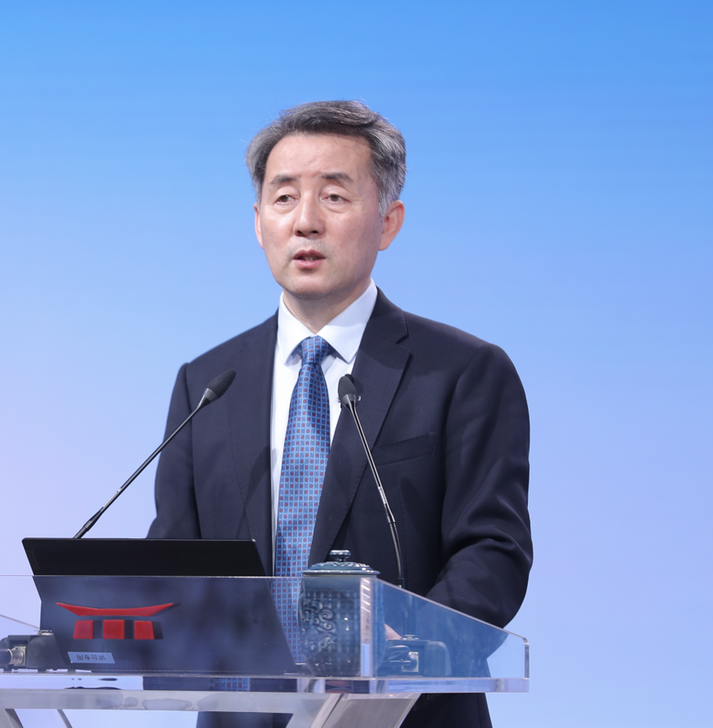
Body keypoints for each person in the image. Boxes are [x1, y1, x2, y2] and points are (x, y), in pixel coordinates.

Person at [147, 100, 532, 728]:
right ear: (258, 222)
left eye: (333, 197)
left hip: (405, 714)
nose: (305, 222)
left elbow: (493, 552)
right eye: (284, 198)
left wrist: (406, 650)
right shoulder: (208, 383)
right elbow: (174, 557)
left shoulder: (462, 372)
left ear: (388, 222)